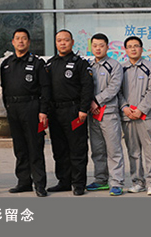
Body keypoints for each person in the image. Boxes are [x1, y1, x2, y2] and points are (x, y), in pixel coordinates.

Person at [0, 28, 50, 197]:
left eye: (24, 38)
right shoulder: (6, 64)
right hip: (13, 109)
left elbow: (45, 88)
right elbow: (4, 88)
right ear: (12, 42)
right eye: (17, 38)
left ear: (28, 42)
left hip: (32, 108)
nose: (20, 41)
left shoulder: (37, 63)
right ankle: (23, 182)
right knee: (19, 148)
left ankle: (40, 184)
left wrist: (43, 111)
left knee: (35, 147)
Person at [46, 29, 94, 196]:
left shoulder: (80, 63)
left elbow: (87, 87)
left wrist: (83, 109)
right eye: (59, 40)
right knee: (59, 149)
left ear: (72, 42)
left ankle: (78, 183)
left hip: (74, 111)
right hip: (55, 112)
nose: (62, 43)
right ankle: (64, 181)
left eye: (66, 40)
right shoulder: (50, 64)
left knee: (77, 148)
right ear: (56, 43)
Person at [119, 35, 151, 196]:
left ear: (142, 49)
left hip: (146, 116)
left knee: (150, 150)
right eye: (130, 46)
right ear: (125, 50)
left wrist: (141, 109)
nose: (133, 49)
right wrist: (124, 107)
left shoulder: (150, 67)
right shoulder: (121, 69)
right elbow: (117, 91)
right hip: (128, 116)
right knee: (133, 151)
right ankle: (138, 182)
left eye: (136, 46)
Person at [86, 33, 126, 196]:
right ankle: (101, 180)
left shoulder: (114, 65)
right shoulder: (89, 65)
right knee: (97, 149)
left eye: (101, 45)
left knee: (113, 149)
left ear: (107, 47)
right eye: (95, 45)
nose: (98, 48)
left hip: (108, 113)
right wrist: (89, 103)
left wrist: (96, 101)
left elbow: (114, 87)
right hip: (92, 114)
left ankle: (116, 182)